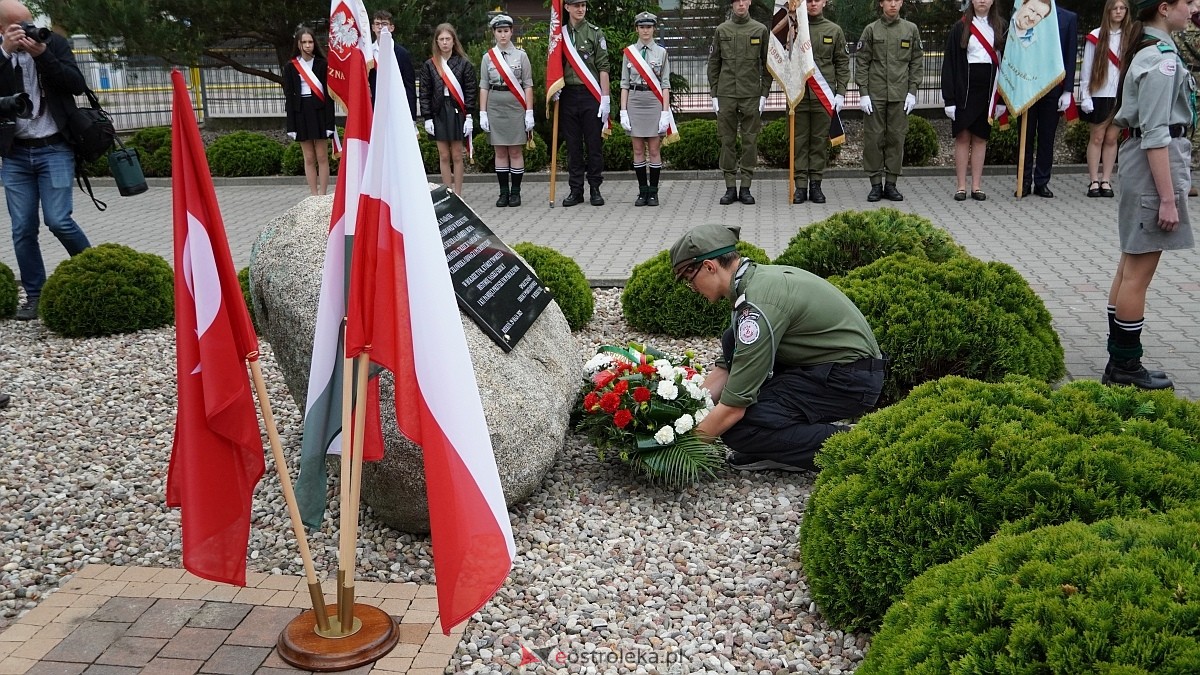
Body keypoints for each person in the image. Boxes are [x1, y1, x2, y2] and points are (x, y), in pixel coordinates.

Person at [669, 223, 886, 472]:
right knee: (732, 340)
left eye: (690, 279)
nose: (692, 288)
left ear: (709, 267)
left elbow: (732, 409)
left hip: (849, 380)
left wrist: (678, 450)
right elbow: (727, 369)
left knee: (740, 428)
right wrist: (683, 409)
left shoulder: (758, 304)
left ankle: (858, 445)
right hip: (827, 367)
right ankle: (783, 449)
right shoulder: (752, 282)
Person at [1105, 0, 1195, 389]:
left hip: (1142, 161)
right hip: (1152, 166)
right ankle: (1126, 367)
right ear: (1164, 7)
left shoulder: (1153, 50)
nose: (1195, 8)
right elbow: (1157, 134)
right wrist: (1169, 199)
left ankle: (1119, 360)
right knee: (1138, 273)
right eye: (1189, 2)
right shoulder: (1162, 60)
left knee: (1130, 266)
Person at [0, 0, 90, 321]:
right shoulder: (2, 54)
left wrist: (43, 55)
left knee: (58, 220)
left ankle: (93, 271)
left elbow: (77, 85)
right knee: (23, 228)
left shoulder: (52, 43)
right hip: (15, 154)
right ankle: (35, 296)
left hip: (55, 148)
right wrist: (5, 55)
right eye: (18, 27)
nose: (27, 31)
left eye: (29, 23)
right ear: (2, 29)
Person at [857, 0, 923, 202]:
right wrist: (863, 92)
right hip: (875, 95)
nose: (892, 4)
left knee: (896, 138)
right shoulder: (871, 30)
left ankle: (891, 184)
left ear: (901, 3)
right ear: (881, 3)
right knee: (874, 139)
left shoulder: (910, 29)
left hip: (900, 94)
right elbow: (862, 62)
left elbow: (916, 61)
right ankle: (876, 184)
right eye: (889, 0)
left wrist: (912, 91)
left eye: (896, 0)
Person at [941, 0, 1007, 202]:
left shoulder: (1001, 27)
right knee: (962, 138)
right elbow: (950, 64)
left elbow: (1007, 64)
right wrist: (949, 99)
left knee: (980, 138)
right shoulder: (960, 27)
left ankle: (976, 186)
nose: (982, 1)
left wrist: (1002, 100)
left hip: (988, 92)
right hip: (964, 92)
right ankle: (961, 186)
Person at [708, 0, 771, 205]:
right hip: (726, 93)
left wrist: (764, 94)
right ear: (732, 4)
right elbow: (714, 62)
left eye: (744, 0)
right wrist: (714, 94)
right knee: (727, 140)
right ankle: (729, 187)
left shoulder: (760, 30)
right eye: (737, 1)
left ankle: (745, 187)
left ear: (749, 2)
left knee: (750, 140)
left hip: (751, 94)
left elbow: (767, 64)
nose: (741, 4)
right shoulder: (722, 30)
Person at [1016, 3, 1077, 198]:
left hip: (1053, 87)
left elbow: (1070, 54)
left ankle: (1042, 181)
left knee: (1047, 137)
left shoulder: (1068, 18)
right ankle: (1023, 181)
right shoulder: (1024, 13)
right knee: (1025, 136)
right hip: (1028, 85)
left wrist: (1067, 90)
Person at [791, 0, 848, 204]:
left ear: (825, 2)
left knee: (818, 142)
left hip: (823, 97)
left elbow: (842, 62)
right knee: (799, 142)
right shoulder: (794, 29)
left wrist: (841, 93)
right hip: (799, 96)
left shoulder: (834, 30)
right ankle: (800, 186)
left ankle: (815, 184)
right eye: (809, 0)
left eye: (817, 0)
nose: (813, 3)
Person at [558, 0, 611, 207]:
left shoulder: (595, 33)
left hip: (591, 95)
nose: (581, 9)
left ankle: (595, 188)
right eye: (576, 5)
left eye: (583, 5)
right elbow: (554, 65)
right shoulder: (559, 35)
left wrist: (605, 98)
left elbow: (603, 66)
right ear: (567, 7)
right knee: (573, 146)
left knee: (594, 144)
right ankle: (576, 190)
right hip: (568, 95)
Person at [479, 14, 534, 207]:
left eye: (506, 31)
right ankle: (503, 193)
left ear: (511, 32)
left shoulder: (522, 56)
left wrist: (529, 111)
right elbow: (484, 85)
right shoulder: (487, 57)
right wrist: (483, 112)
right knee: (500, 151)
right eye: (499, 31)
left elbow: (527, 85)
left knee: (516, 150)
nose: (502, 35)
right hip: (495, 104)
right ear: (494, 33)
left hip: (515, 105)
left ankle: (516, 193)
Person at [619, 11, 672, 207]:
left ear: (654, 29)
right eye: (642, 27)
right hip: (634, 99)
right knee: (638, 149)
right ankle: (642, 191)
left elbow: (665, 84)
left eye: (649, 27)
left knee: (655, 148)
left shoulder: (661, 53)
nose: (645, 30)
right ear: (637, 29)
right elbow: (624, 84)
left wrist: (665, 112)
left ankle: (654, 192)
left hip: (653, 100)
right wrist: (623, 110)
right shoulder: (629, 53)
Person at [1081, 0, 1131, 199]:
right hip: (1100, 94)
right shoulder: (1096, 36)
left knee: (1111, 139)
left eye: (1122, 8)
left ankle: (1106, 179)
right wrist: (1085, 95)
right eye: (1115, 8)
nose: (1118, 12)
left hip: (1120, 95)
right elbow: (1086, 67)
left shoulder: (1131, 37)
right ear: (1108, 11)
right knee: (1097, 137)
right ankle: (1093, 179)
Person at [419, 23, 476, 195]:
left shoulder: (464, 64)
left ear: (453, 41)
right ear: (436, 42)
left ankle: (458, 194)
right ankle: (448, 192)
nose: (444, 42)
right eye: (441, 39)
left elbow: (470, 91)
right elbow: (424, 92)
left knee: (457, 155)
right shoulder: (430, 65)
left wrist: (470, 116)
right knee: (443, 155)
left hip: (457, 111)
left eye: (448, 39)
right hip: (438, 112)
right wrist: (427, 117)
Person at [282, 27, 336, 197]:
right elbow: (289, 97)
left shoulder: (323, 64)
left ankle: (323, 194)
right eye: (304, 42)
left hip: (319, 111)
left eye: (310, 42)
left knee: (322, 156)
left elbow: (329, 97)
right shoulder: (291, 67)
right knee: (309, 157)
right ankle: (313, 194)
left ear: (314, 43)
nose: (307, 45)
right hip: (300, 112)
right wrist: (291, 125)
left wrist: (330, 123)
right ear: (298, 44)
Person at [369, 10, 417, 120]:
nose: (380, 27)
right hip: (374, 107)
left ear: (392, 28)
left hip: (397, 107)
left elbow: (409, 86)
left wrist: (412, 117)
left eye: (384, 24)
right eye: (377, 24)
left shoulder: (402, 54)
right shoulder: (368, 53)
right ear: (373, 28)